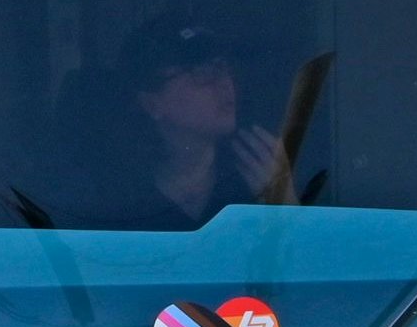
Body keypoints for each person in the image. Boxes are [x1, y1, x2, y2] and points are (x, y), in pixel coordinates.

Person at [83, 19, 300, 232]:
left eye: (223, 68)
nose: (225, 83)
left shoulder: (258, 176)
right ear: (151, 103)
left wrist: (285, 209)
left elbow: (303, 261)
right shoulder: (112, 196)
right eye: (202, 72)